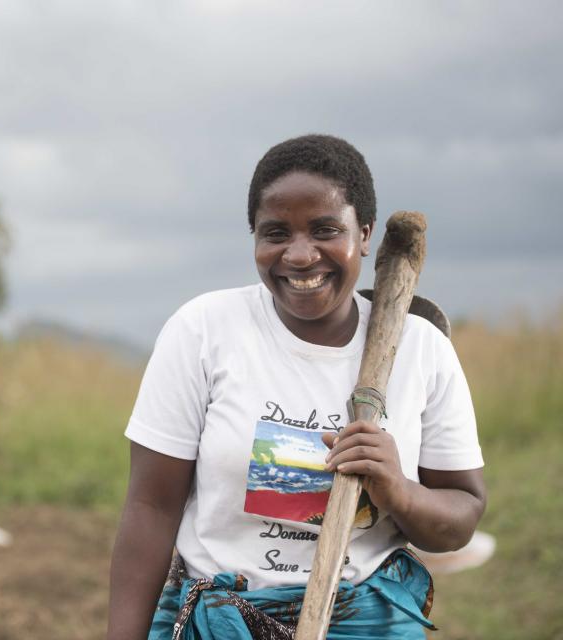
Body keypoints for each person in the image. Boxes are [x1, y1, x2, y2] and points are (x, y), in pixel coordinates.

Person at [106, 134, 486, 640]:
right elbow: (150, 509)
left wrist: (398, 490)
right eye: (276, 233)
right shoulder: (204, 331)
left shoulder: (421, 350)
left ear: (365, 233)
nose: (301, 255)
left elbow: (460, 518)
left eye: (326, 230)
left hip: (367, 621)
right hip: (221, 621)